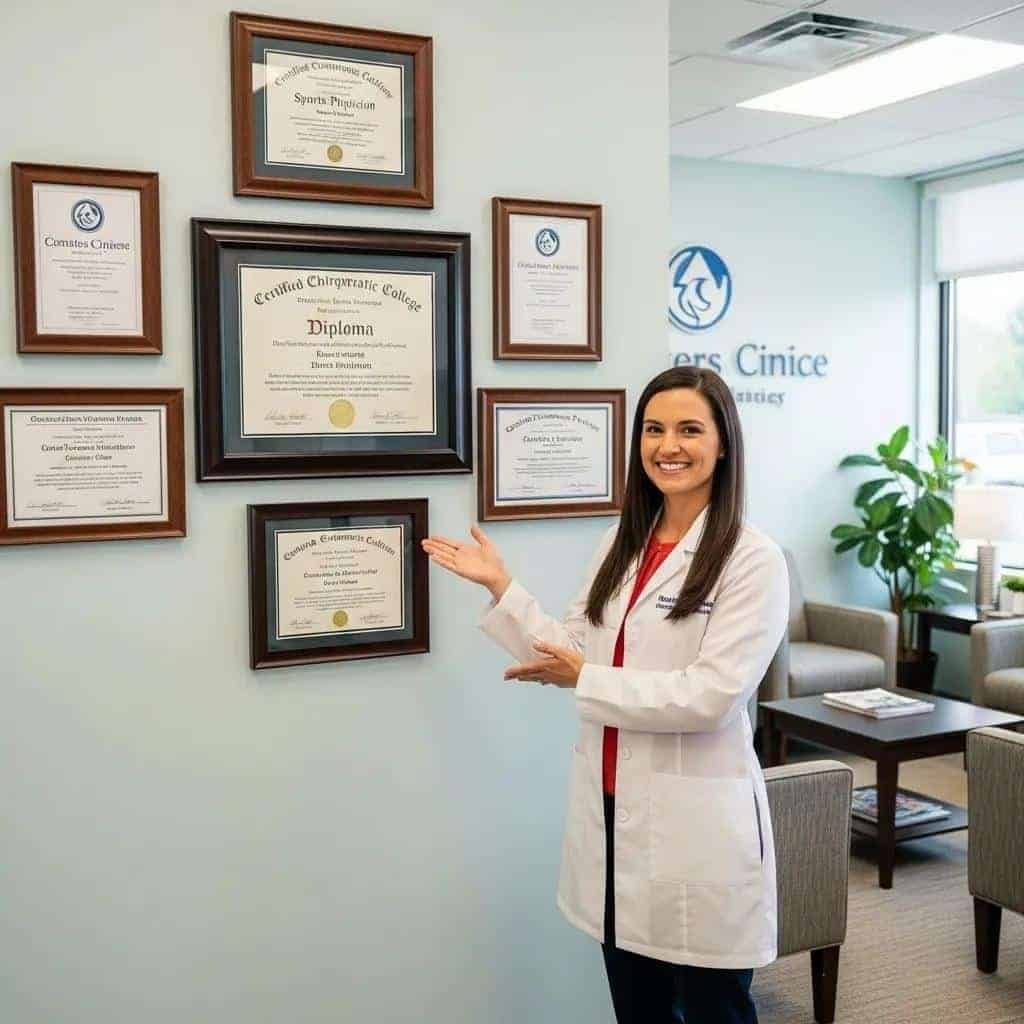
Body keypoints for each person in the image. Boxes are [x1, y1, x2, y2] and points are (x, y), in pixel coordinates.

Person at [421, 366, 788, 1024]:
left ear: (723, 444)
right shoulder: (622, 544)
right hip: (615, 818)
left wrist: (583, 678)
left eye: (688, 430)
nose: (667, 446)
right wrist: (502, 589)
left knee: (715, 1011)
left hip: (696, 829)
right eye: (653, 429)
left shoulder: (752, 560)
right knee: (639, 1011)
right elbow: (574, 648)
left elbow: (711, 697)